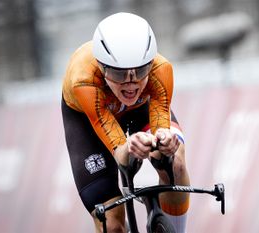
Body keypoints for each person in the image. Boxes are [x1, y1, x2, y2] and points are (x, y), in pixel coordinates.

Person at [61, 12, 190, 233]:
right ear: (102, 68)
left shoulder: (161, 70)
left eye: (140, 71)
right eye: (120, 75)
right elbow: (120, 152)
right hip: (88, 120)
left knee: (175, 163)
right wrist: (130, 148)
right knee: (110, 222)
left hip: (142, 108)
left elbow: (161, 131)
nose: (131, 84)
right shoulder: (83, 80)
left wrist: (164, 143)